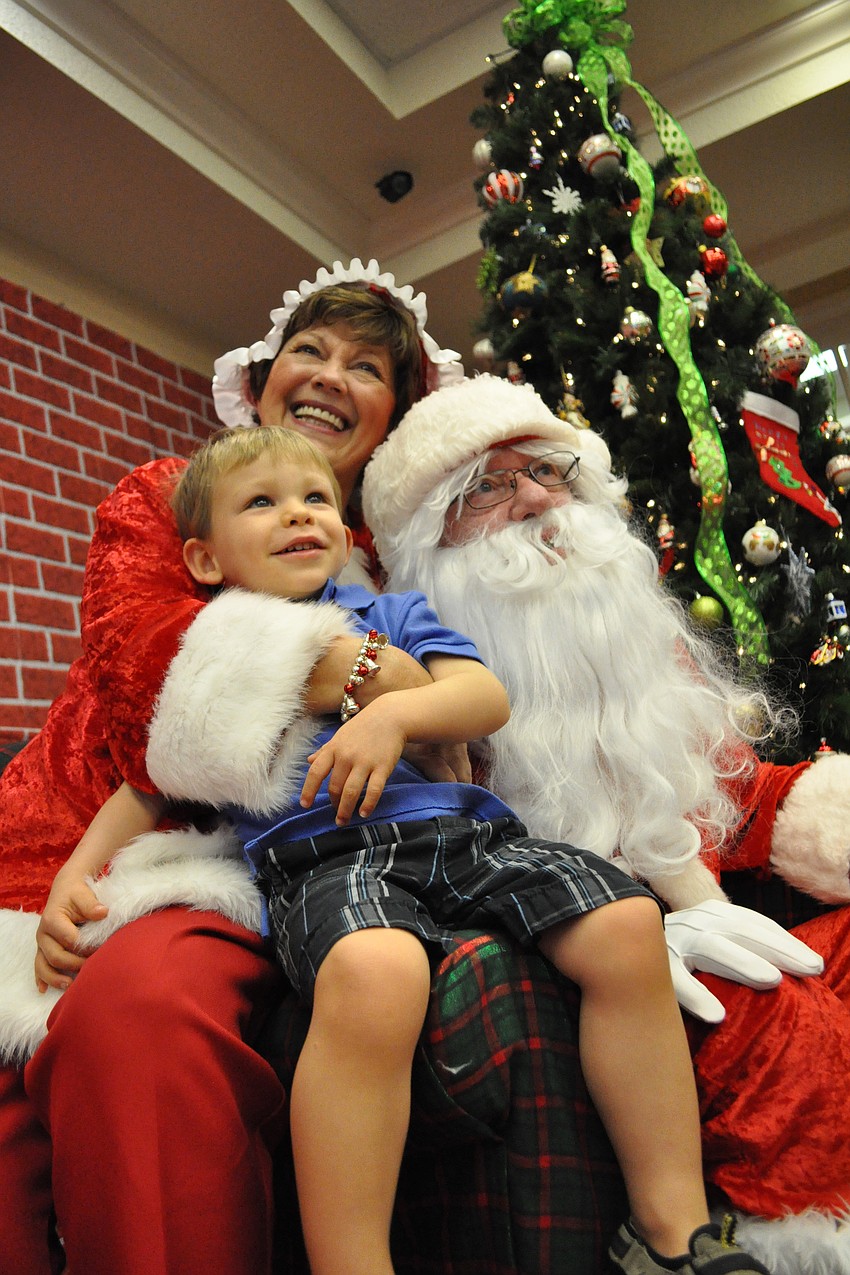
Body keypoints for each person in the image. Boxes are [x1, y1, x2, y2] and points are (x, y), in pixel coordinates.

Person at [44, 424, 772, 1275]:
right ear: (205, 560)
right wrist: (74, 873)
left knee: (623, 923)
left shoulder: (390, 615)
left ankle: (672, 1227)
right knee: (374, 973)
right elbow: (151, 780)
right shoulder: (217, 650)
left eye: (316, 498)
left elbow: (483, 695)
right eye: (263, 503)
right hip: (328, 860)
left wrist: (394, 711)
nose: (298, 516)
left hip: (464, 836)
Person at [0, 259, 463, 1275]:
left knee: (143, 1019)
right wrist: (367, 674)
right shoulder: (169, 500)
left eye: (366, 366)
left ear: (394, 418)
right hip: (70, 856)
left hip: (272, 874)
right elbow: (146, 671)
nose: (331, 376)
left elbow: (472, 721)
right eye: (309, 349)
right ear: (258, 384)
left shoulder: (400, 572)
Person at [358, 371, 850, 1267]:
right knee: (763, 1011)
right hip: (594, 941)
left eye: (549, 469)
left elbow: (720, 789)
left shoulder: (635, 643)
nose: (539, 499)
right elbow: (433, 854)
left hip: (697, 895)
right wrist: (614, 931)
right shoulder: (435, 691)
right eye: (489, 487)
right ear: (429, 546)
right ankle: (787, 1238)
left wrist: (819, 810)